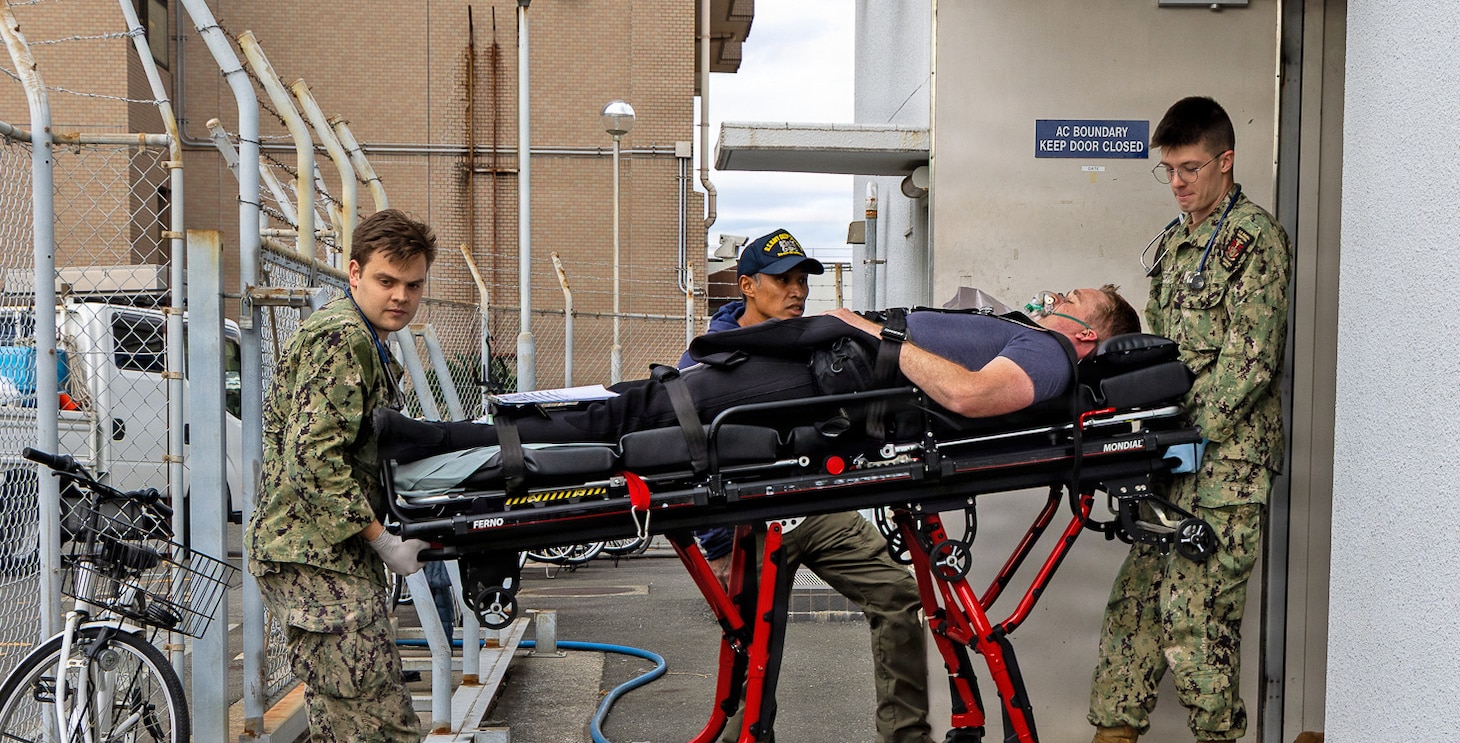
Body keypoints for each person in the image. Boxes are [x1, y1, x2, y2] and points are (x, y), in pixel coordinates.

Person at [1039, 96, 1291, 743]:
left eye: (1190, 168)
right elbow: (1165, 354)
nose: (1178, 182)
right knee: (1136, 601)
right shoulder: (1177, 242)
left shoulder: (1255, 241)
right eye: (1169, 170)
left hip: (1229, 462)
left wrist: (1176, 433)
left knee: (1197, 603)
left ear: (1225, 162)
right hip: (1175, 457)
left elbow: (1251, 363)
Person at [684, 228, 937, 743]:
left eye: (804, 279)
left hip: (811, 508)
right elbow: (687, 458)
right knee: (752, 656)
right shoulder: (706, 356)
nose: (797, 291)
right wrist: (717, 543)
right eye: (782, 280)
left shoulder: (812, 341)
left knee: (898, 594)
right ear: (746, 286)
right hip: (741, 523)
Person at [246, 209, 461, 743]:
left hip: (312, 560)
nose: (400, 296)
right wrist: (383, 541)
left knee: (344, 735)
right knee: (389, 735)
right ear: (354, 273)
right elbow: (314, 462)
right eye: (386, 281)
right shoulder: (342, 339)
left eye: (413, 285)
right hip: (321, 563)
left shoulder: (359, 336)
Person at [371, 283, 1141, 463]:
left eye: (1079, 296)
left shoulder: (1046, 352)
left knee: (644, 411)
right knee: (639, 405)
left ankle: (443, 441)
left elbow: (974, 397)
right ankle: (454, 436)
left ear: (1089, 333)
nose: (1061, 294)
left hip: (831, 380)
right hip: (828, 370)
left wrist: (865, 333)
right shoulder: (1032, 336)